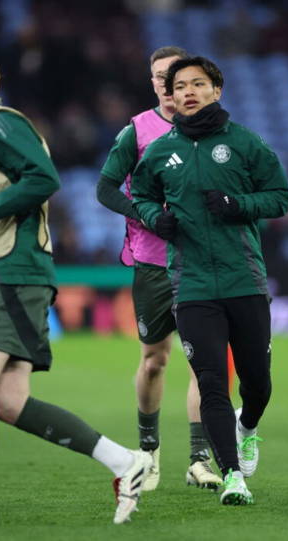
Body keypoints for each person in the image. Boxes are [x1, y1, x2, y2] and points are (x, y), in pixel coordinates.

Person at [0, 38, 151, 530]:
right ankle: (125, 462)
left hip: (13, 272)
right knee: (6, 401)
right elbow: (14, 195)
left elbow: (43, 179)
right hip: (7, 267)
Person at [131, 56, 288, 505]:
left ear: (216, 90)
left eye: (198, 84)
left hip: (245, 280)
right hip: (193, 286)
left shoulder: (245, 143)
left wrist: (237, 204)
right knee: (211, 383)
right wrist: (152, 217)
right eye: (180, 85)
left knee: (257, 382)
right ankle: (233, 477)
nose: (188, 91)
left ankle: (250, 427)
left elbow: (281, 197)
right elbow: (140, 194)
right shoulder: (160, 151)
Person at [96, 45, 221, 491]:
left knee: (205, 364)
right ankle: (148, 453)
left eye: (174, 74)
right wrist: (147, 215)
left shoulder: (213, 132)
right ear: (153, 84)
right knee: (154, 361)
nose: (166, 82)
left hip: (203, 262)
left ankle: (199, 460)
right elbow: (105, 189)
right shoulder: (137, 131)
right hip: (151, 261)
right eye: (158, 76)